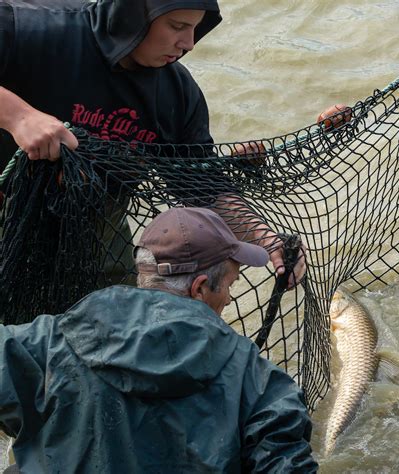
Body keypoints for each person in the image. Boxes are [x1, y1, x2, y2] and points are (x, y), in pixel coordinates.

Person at [0, 0, 306, 288]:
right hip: (8, 205)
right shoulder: (31, 29)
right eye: (177, 26)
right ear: (134, 16)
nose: (189, 42)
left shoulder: (178, 95)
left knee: (111, 319)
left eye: (195, 28)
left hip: (95, 228)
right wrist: (18, 116)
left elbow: (204, 187)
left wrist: (268, 240)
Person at [0, 207, 318, 473]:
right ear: (200, 287)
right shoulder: (259, 382)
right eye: (231, 284)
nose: (230, 299)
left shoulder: (46, 343)